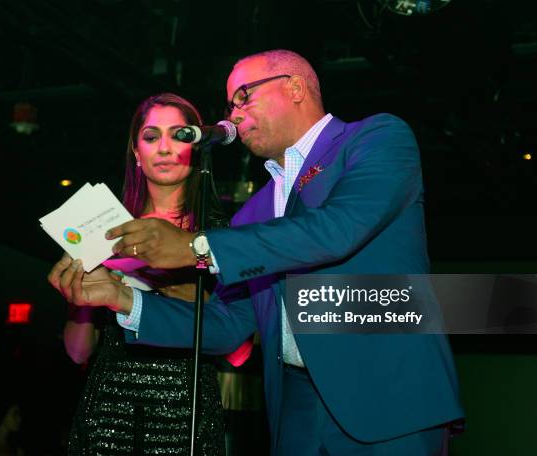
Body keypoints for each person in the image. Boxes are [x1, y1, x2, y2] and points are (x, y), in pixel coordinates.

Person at [51, 50, 465, 455]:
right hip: (296, 409)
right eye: (230, 104)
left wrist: (196, 247)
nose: (233, 115)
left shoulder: (374, 138)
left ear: (297, 88)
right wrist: (121, 297)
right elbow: (228, 325)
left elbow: (339, 229)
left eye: (243, 97)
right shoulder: (253, 212)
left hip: (388, 396)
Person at [55, 93, 227, 455]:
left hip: (186, 409)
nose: (164, 147)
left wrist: (157, 275)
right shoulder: (106, 232)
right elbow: (76, 351)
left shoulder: (220, 234)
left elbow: (237, 343)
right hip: (109, 410)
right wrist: (80, 297)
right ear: (136, 152)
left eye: (178, 135)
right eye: (151, 137)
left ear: (195, 146)